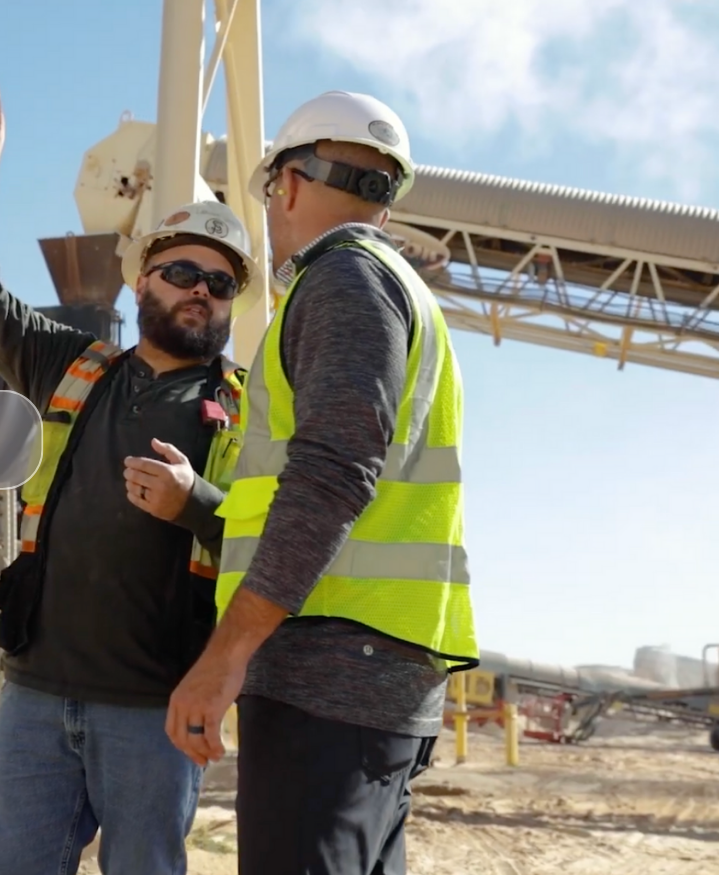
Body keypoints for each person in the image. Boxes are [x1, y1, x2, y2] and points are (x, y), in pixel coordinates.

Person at [0, 69, 255, 875]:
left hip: (153, 711)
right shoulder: (73, 367)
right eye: (183, 273)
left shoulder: (247, 411)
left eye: (220, 285)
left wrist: (197, 503)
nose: (201, 293)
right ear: (141, 280)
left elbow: (276, 539)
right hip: (37, 696)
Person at [165, 90, 479, 874]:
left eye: (269, 194)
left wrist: (226, 651)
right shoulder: (405, 294)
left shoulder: (343, 281)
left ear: (292, 184)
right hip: (376, 680)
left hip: (327, 680)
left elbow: (333, 469)